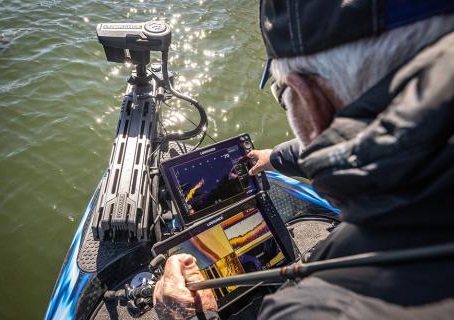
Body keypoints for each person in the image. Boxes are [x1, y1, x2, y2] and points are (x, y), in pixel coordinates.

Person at [154, 1, 454, 319]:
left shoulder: (320, 310)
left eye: (283, 96)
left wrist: (191, 316)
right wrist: (275, 158)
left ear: (307, 96)